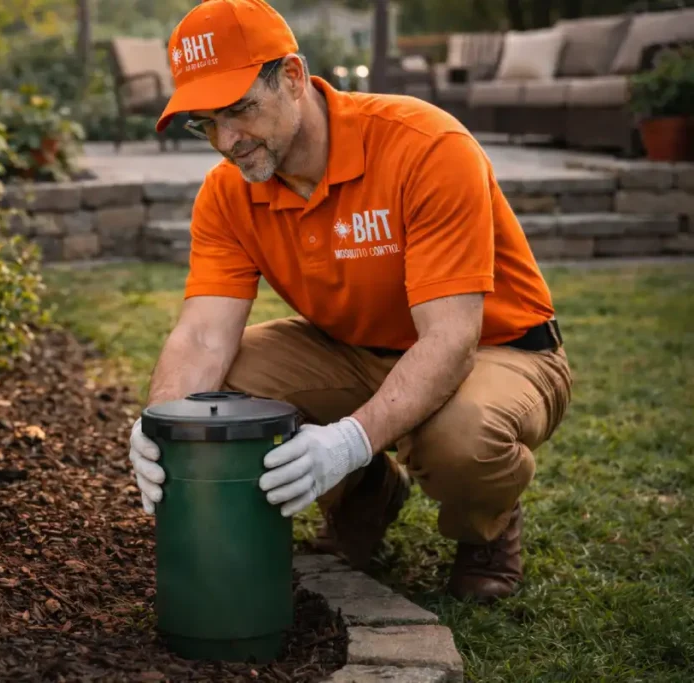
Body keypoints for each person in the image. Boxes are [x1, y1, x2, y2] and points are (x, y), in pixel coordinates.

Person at [127, 0, 573, 602]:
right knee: (215, 395)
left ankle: (487, 526)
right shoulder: (227, 193)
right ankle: (366, 496)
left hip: (499, 347)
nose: (226, 140)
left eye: (239, 109)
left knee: (461, 438)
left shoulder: (426, 146)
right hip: (353, 349)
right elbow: (203, 336)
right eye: (205, 122)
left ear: (292, 77)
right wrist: (163, 426)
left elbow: (450, 339)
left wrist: (347, 441)